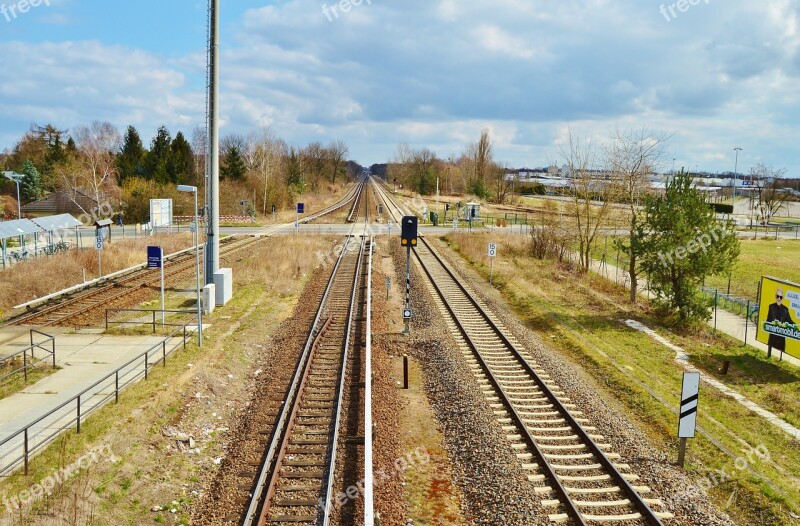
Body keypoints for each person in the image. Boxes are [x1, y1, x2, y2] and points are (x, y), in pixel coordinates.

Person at [766, 286, 797, 357]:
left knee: (781, 349)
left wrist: (796, 327)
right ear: (775, 296)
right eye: (777, 296)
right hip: (773, 334)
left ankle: (780, 357)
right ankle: (769, 354)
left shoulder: (785, 309)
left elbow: (789, 321)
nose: (779, 298)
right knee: (771, 344)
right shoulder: (771, 307)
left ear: (783, 298)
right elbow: (768, 319)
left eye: (781, 297)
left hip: (781, 335)